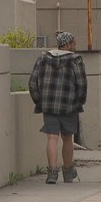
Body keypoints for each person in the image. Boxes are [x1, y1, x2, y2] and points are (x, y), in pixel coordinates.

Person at [28, 32, 87, 184]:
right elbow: (82, 84)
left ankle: (52, 173)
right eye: (73, 43)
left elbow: (33, 82)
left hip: (48, 104)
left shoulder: (43, 58)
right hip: (69, 104)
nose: (75, 46)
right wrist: (79, 101)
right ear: (68, 44)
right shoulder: (75, 60)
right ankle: (67, 171)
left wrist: (39, 100)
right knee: (67, 138)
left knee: (52, 138)